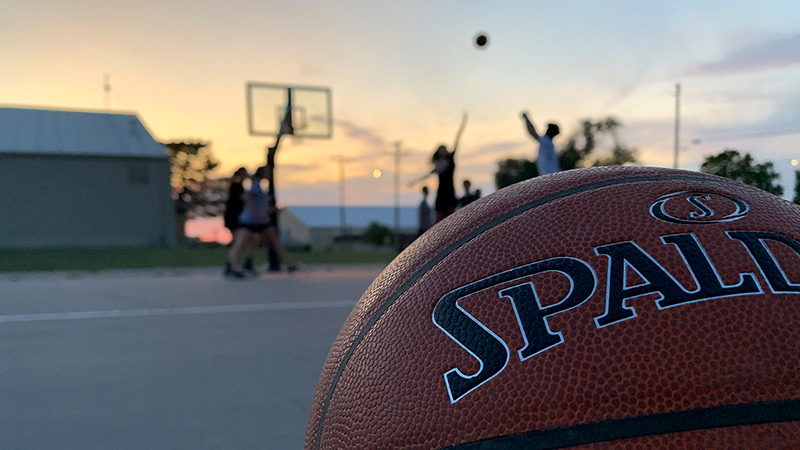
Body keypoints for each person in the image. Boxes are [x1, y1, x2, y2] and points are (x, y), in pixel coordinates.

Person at [227, 166, 296, 278]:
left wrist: (272, 210)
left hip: (262, 220)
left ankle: (287, 265)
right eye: (267, 172)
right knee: (240, 244)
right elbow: (247, 198)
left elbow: (262, 206)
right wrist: (257, 211)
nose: (268, 174)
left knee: (271, 241)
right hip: (250, 220)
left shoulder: (260, 187)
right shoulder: (255, 185)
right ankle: (233, 267)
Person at [223, 167, 253, 276]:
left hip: (235, 218)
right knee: (238, 243)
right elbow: (244, 200)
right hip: (234, 218)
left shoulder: (238, 186)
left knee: (239, 242)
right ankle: (233, 266)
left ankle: (232, 265)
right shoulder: (236, 186)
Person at [521, 111, 561, 175]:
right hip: (552, 176)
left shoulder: (546, 142)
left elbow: (532, 132)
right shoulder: (549, 143)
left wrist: (526, 118)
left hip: (550, 177)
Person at [431, 144, 458, 223]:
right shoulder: (439, 163)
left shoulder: (449, 161)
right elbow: (438, 167)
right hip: (442, 194)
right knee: (440, 218)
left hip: (449, 193)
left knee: (451, 219)